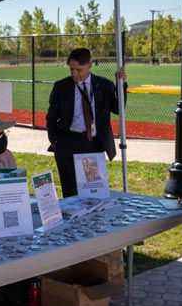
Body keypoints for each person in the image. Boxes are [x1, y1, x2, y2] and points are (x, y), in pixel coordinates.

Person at [46, 47, 127, 197]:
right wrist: (56, 142)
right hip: (68, 143)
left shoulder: (104, 85)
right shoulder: (61, 87)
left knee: (93, 193)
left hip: (93, 144)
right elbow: (51, 117)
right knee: (71, 194)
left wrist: (121, 85)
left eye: (79, 69)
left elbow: (118, 109)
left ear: (89, 66)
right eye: (71, 69)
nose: (74, 74)